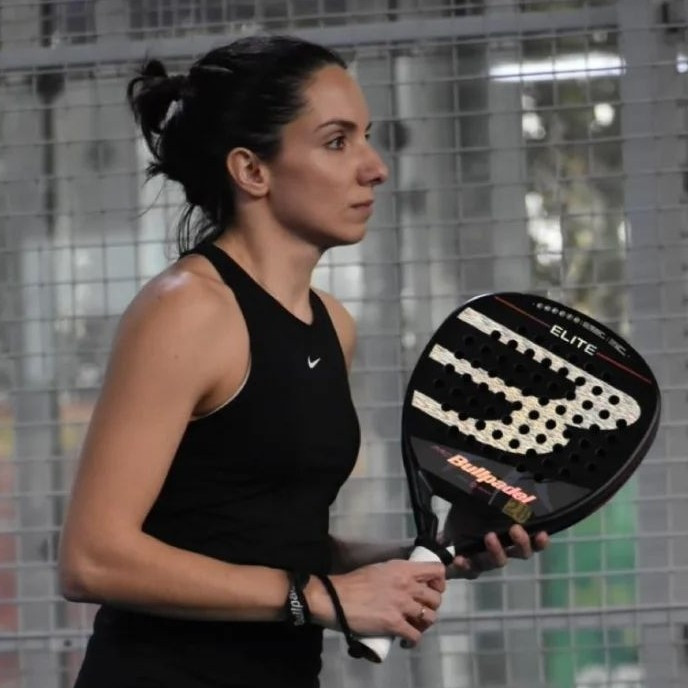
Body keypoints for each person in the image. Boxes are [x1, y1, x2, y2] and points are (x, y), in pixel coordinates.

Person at [58, 35, 549, 688]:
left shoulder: (330, 324)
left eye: (367, 137)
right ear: (252, 171)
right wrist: (320, 597)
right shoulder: (187, 310)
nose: (374, 168)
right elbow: (92, 559)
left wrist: (428, 556)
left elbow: (272, 543)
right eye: (337, 141)